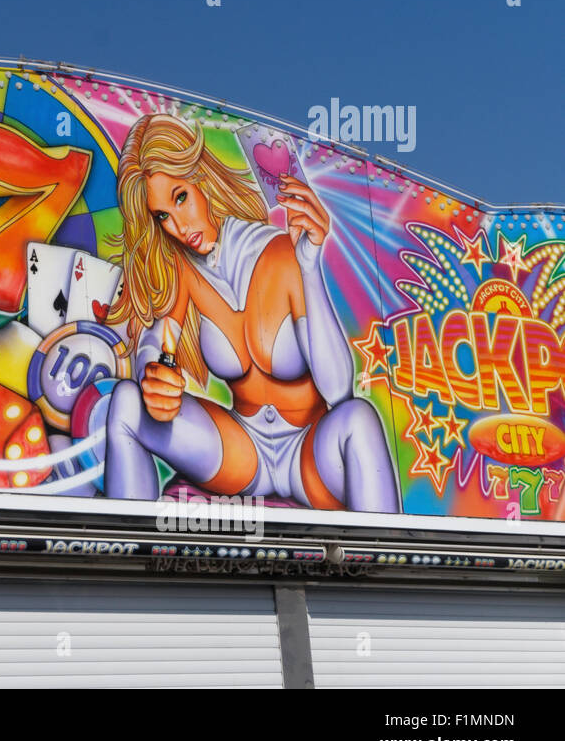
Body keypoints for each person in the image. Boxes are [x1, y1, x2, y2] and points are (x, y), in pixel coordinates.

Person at [102, 113, 400, 512]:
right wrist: (151, 373)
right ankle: (129, 561)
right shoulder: (184, 270)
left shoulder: (283, 252)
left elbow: (338, 390)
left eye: (180, 198)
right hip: (241, 454)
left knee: (360, 419)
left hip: (308, 454)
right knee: (126, 403)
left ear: (202, 179)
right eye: (162, 216)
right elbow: (159, 336)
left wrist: (310, 268)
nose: (177, 226)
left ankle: (385, 565)